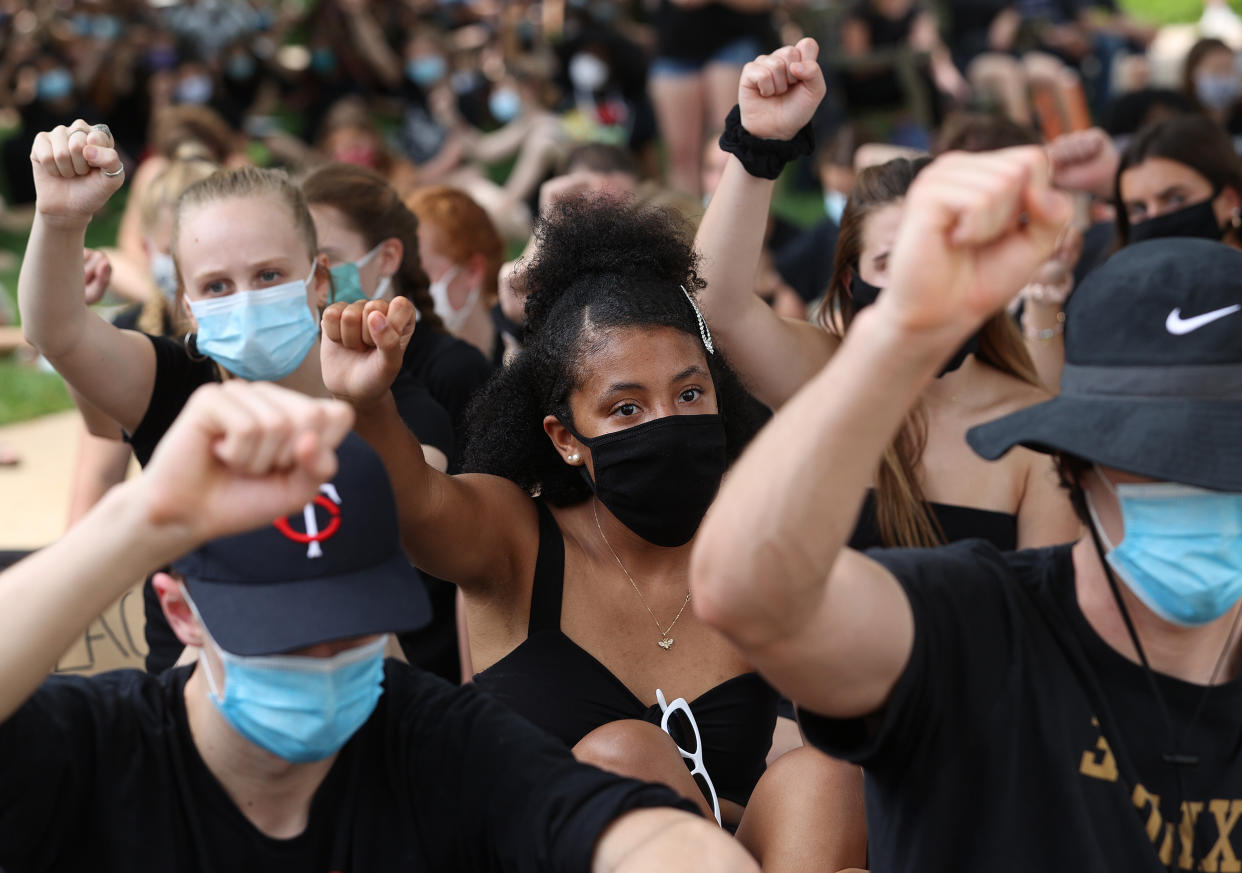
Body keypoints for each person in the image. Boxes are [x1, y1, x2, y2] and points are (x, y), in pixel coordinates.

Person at [690, 137, 1242, 870]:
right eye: (1151, 456)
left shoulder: (1013, 449)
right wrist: (906, 335)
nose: (1198, 484)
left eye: (1226, 455)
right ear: (1075, 466)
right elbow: (746, 589)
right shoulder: (980, 629)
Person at [0, 379, 755, 871]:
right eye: (285, 633)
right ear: (180, 612)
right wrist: (144, 515)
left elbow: (622, 830)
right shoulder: (95, 750)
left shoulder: (432, 741)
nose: (326, 655)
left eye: (354, 622)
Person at [316, 196, 866, 870]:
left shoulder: (756, 551)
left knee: (825, 777)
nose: (666, 421)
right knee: (623, 756)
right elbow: (420, 507)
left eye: (690, 394)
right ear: (564, 437)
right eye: (626, 406)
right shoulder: (518, 537)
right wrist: (367, 404)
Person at [18, 119, 453, 671]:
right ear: (188, 305)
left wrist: (365, 407)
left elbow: (411, 518)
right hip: (196, 702)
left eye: (269, 275)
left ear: (319, 279)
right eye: (217, 286)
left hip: (357, 694)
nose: (245, 301)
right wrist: (59, 219)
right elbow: (57, 331)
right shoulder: (173, 383)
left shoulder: (391, 404)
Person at [696, 40, 1078, 552]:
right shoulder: (825, 380)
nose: (918, 283)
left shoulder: (1031, 426)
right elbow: (716, 305)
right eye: (888, 264)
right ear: (853, 284)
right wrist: (758, 142)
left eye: (938, 256)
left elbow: (1040, 611)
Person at [301, 162, 492, 441]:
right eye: (307, 263)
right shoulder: (307, 363)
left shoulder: (454, 369)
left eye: (328, 259)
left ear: (387, 257)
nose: (315, 278)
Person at [405, 185, 504, 362]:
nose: (406, 294)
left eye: (421, 276)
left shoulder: (530, 349)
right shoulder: (416, 373)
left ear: (473, 271)